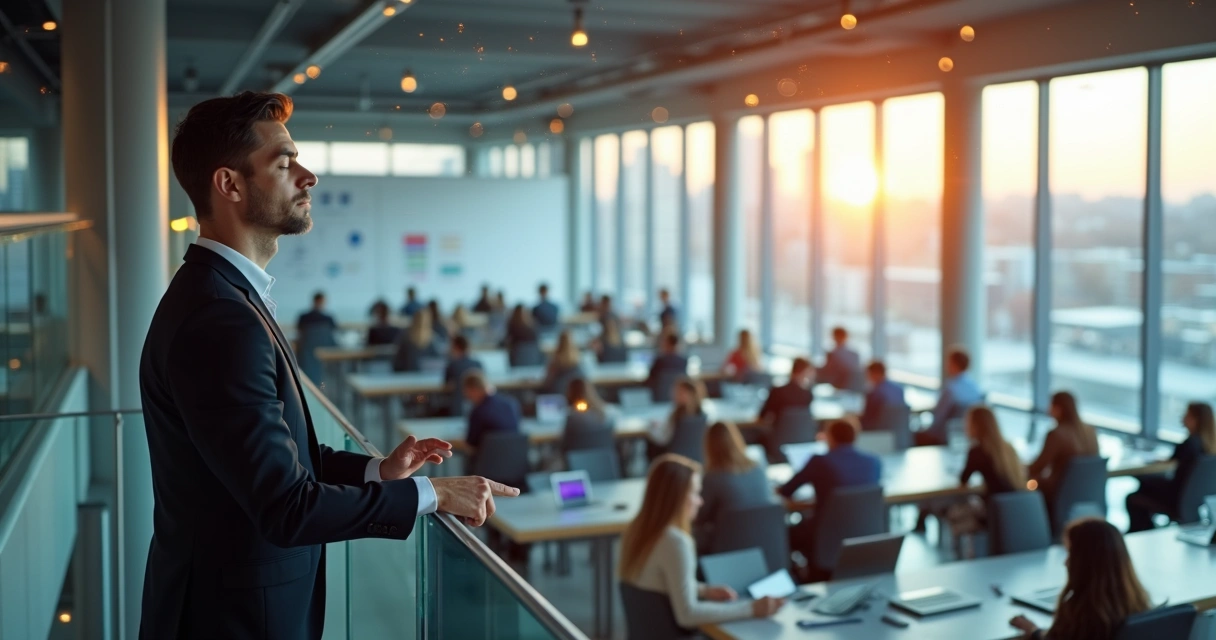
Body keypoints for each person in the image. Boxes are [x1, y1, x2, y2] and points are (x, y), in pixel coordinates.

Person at [141, 91, 516, 639]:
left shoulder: (223, 297)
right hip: (233, 621)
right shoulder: (220, 318)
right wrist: (434, 494)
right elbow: (286, 506)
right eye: (284, 164)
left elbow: (276, 458)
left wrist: (376, 472)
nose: (309, 176)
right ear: (230, 185)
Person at [618, 455, 786, 631]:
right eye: (696, 493)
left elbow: (657, 584)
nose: (701, 501)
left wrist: (703, 590)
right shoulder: (676, 542)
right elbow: (687, 614)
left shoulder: (636, 530)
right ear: (678, 497)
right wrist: (751, 608)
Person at [1010, 518, 1151, 640]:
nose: (1065, 563)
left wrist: (1033, 631)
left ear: (1085, 563)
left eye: (1071, 554)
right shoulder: (1138, 603)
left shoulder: (1080, 615)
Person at [779, 419, 881, 574]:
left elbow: (786, 491)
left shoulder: (820, 462)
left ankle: (797, 578)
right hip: (864, 533)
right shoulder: (874, 462)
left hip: (824, 534)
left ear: (830, 437)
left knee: (783, 534)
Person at [1126, 401, 1216, 532]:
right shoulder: (1208, 447)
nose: (1182, 418)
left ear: (1195, 419)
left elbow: (1175, 464)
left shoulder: (1190, 444)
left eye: (1186, 415)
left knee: (1137, 492)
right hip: (1196, 502)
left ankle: (1142, 530)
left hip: (1177, 499)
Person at [947, 406, 1026, 538]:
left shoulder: (977, 451)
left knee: (953, 514)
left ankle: (962, 549)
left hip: (995, 511)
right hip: (1016, 510)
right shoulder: (1008, 448)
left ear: (975, 426)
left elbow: (963, 481)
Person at [694, 421, 772, 552]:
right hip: (761, 544)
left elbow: (699, 516)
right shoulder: (759, 469)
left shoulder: (713, 478)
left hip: (727, 548)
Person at [1028, 391, 1099, 505]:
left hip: (1057, 495)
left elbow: (1038, 467)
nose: (1048, 409)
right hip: (1085, 495)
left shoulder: (1056, 434)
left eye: (1050, 405)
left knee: (1027, 485)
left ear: (1058, 409)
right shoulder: (1090, 431)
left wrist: (1016, 468)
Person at [916, 347, 984, 446]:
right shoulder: (975, 387)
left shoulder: (951, 389)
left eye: (949, 363)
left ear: (954, 364)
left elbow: (938, 416)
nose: (946, 366)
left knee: (916, 435)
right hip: (966, 435)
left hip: (945, 436)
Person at [463, 371, 522, 451]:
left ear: (473, 390)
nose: (467, 397)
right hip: (514, 455)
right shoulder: (512, 404)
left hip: (487, 457)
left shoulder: (478, 412)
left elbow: (470, 444)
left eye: (468, 393)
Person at [649, 378, 706, 457]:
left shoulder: (677, 416)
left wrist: (652, 428)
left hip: (675, 459)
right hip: (697, 457)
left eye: (677, 392)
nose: (673, 394)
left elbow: (663, 439)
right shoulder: (702, 414)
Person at [757, 357, 813, 425]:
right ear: (805, 373)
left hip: (779, 430)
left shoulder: (777, 392)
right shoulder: (808, 395)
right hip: (801, 431)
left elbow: (763, 415)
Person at [857, 361, 908, 431]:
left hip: (878, 431)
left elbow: (868, 418)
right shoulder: (899, 389)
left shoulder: (874, 393)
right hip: (899, 431)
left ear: (874, 374)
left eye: (868, 374)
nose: (867, 377)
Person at [392, 306, 441, 372]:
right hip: (423, 374)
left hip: (408, 373)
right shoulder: (433, 338)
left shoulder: (404, 336)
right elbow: (438, 361)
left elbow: (396, 361)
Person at [817, 326, 862, 391]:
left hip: (845, 387)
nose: (838, 339)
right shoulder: (831, 354)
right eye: (837, 336)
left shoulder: (853, 354)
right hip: (839, 387)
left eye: (840, 336)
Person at [647, 332, 689, 398]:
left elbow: (650, 378)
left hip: (660, 397)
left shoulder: (659, 361)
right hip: (679, 397)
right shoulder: (683, 361)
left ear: (666, 344)